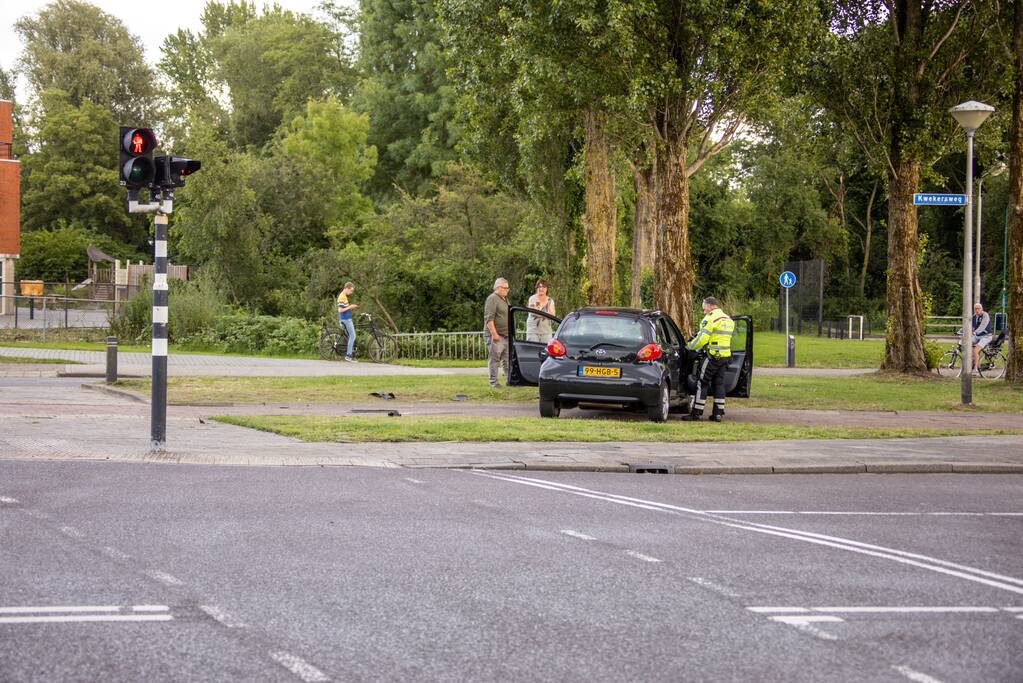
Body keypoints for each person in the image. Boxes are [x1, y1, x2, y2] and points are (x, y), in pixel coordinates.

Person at [683, 297, 735, 422]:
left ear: (711, 306)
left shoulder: (710, 318)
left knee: (702, 382)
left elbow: (702, 339)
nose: (704, 310)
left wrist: (689, 346)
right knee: (719, 384)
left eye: (704, 307)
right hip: (725, 356)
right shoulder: (728, 319)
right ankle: (718, 414)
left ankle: (696, 413)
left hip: (712, 356)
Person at [484, 277, 511, 388]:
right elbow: (489, 319)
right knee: (495, 359)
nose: (507, 290)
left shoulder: (505, 299)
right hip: (496, 336)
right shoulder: (492, 298)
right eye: (505, 288)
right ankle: (494, 382)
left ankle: (509, 381)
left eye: (507, 288)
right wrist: (494, 334)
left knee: (507, 360)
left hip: (506, 335)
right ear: (498, 287)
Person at [526, 279, 556, 343]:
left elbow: (553, 316)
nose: (541, 289)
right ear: (536, 288)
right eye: (539, 287)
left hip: (546, 332)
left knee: (545, 348)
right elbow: (534, 312)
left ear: (546, 289)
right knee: (533, 348)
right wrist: (547, 313)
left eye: (543, 287)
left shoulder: (550, 300)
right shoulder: (532, 298)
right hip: (533, 331)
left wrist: (540, 311)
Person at [337, 281, 359, 362]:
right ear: (347, 288)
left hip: (346, 319)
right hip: (346, 320)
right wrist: (350, 307)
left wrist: (350, 307)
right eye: (351, 290)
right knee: (352, 336)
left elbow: (344, 308)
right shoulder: (342, 297)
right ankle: (348, 356)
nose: (351, 292)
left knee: (350, 336)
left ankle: (349, 354)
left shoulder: (344, 296)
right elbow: (340, 310)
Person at [971, 302, 993, 373]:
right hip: (977, 336)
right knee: (967, 344)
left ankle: (975, 369)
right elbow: (969, 325)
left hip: (986, 336)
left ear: (982, 309)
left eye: (978, 308)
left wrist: (975, 332)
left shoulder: (985, 315)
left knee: (975, 350)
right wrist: (961, 331)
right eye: (975, 309)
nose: (977, 310)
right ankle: (974, 362)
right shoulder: (974, 317)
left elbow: (982, 326)